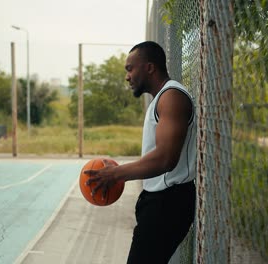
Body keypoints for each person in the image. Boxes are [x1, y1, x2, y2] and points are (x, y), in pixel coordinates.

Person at [85, 41, 196, 264]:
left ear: (149, 67)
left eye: (130, 69)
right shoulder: (162, 98)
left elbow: (166, 158)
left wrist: (116, 174)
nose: (127, 76)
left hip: (168, 204)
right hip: (160, 201)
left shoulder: (172, 97)